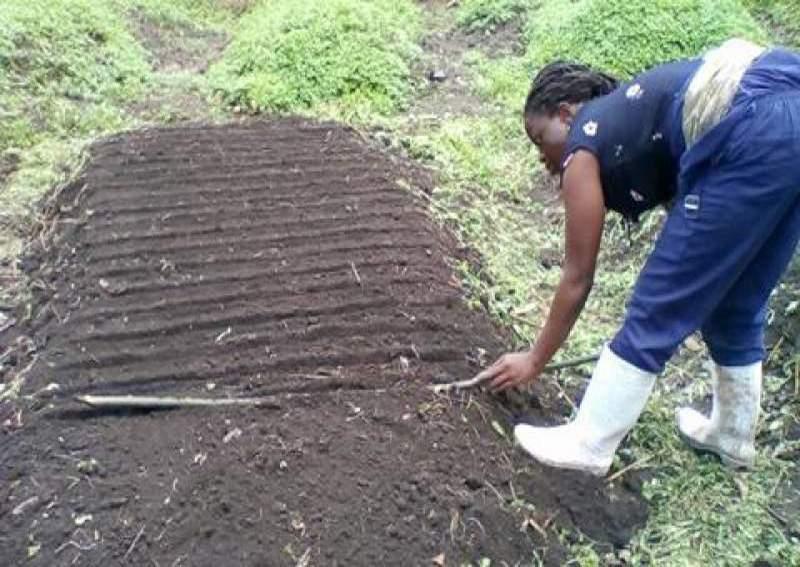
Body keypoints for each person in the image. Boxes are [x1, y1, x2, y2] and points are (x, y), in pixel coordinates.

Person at [480, 38, 800, 476]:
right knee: (738, 299)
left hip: (754, 121)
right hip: (786, 111)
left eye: (540, 138)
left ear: (567, 113)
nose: (543, 157)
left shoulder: (584, 142)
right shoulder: (636, 116)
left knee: (658, 302)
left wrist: (535, 359)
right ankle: (732, 434)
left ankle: (589, 442)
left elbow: (577, 276)